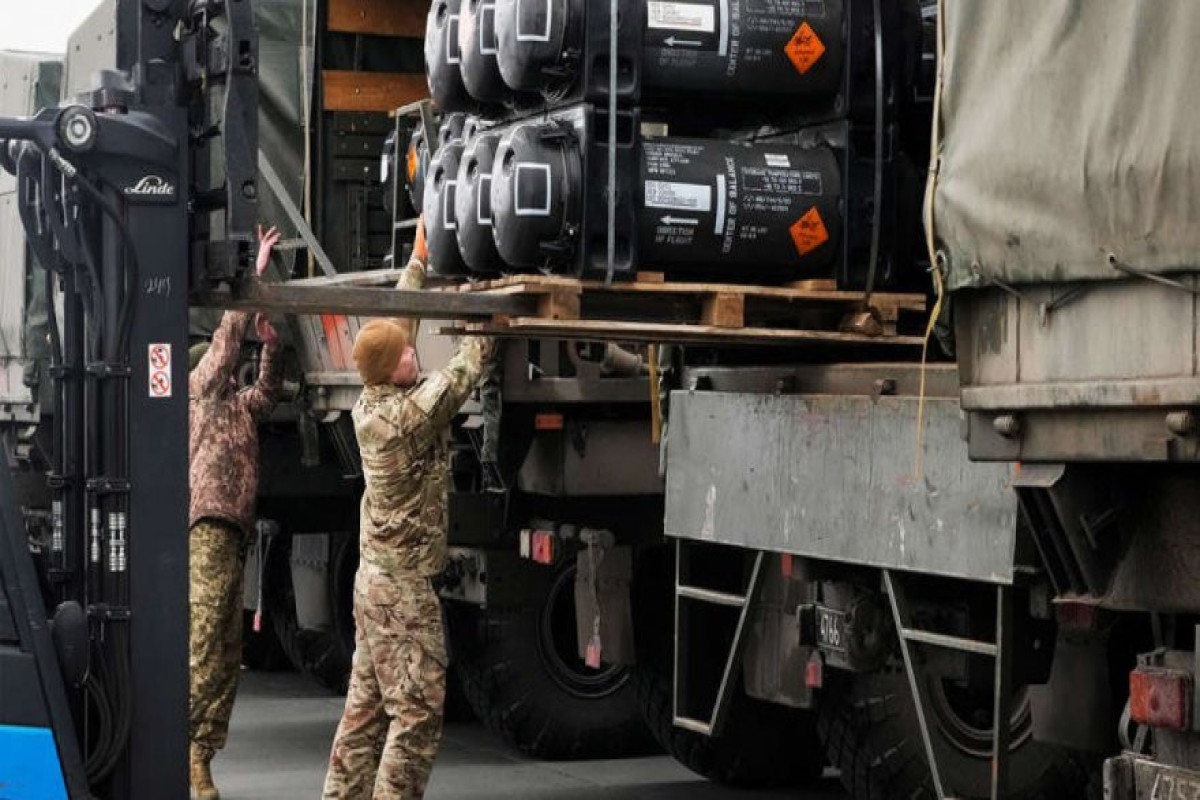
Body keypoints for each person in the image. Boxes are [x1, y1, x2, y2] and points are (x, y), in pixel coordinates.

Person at [323, 219, 493, 799]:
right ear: (391, 369)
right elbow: (464, 373)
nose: (413, 353)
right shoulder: (402, 419)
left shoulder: (375, 397)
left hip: (374, 585)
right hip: (400, 591)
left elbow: (400, 322)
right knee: (417, 715)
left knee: (366, 713)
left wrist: (419, 260)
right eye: (405, 355)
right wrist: (486, 315)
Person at [189, 225, 283, 800]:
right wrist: (255, 279)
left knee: (226, 654)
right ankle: (181, 748)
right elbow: (225, 347)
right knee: (201, 646)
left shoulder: (240, 409)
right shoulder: (198, 393)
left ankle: (201, 756)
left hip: (235, 537)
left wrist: (270, 343)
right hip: (206, 532)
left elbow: (268, 391)